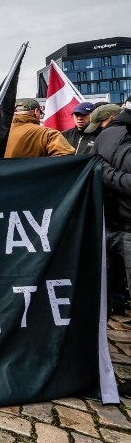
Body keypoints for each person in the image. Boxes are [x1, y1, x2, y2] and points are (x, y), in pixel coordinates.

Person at [92, 106, 131, 397]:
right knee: (101, 295)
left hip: (120, 227)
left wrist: (104, 173)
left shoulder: (114, 137)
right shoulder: (111, 136)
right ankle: (93, 357)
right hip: (113, 226)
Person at [4, 98, 74, 158]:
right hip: (34, 174)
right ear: (36, 112)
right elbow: (67, 158)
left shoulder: (1, 132)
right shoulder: (48, 133)